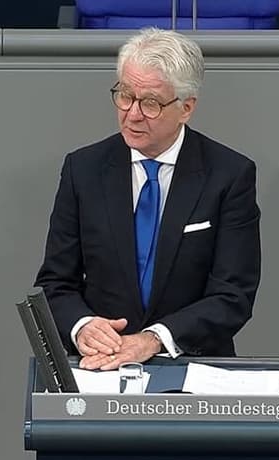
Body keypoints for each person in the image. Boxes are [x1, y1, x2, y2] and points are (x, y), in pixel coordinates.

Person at [35, 27, 261, 371]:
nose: (133, 113)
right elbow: (54, 283)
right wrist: (83, 327)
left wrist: (153, 339)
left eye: (151, 103)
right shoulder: (84, 170)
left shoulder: (229, 175)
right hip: (102, 366)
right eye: (125, 96)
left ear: (186, 108)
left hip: (193, 368)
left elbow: (233, 296)